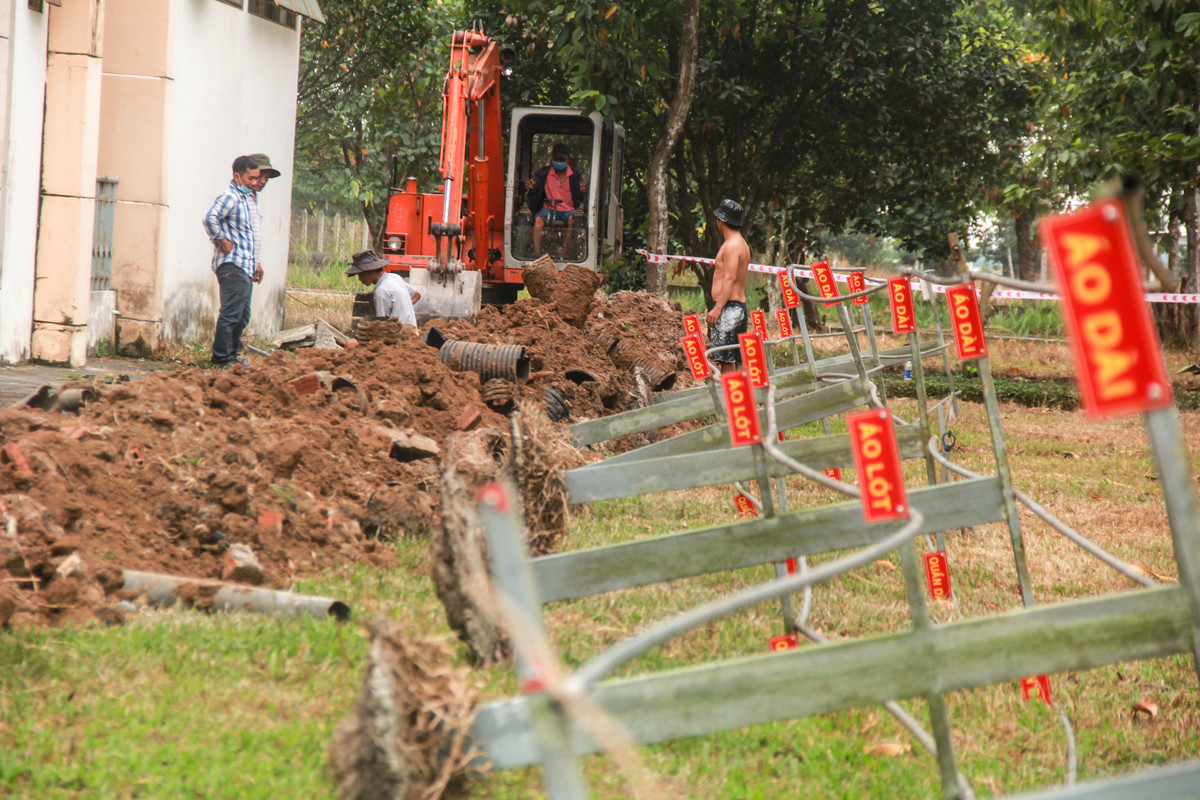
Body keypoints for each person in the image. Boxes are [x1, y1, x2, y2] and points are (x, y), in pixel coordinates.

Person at [202, 155, 261, 369]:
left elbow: (248, 235)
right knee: (231, 313)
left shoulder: (247, 200)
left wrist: (256, 263)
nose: (255, 182)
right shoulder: (231, 197)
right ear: (237, 177)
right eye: (250, 178)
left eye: (256, 178)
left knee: (243, 314)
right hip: (232, 264)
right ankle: (221, 357)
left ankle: (232, 353)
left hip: (245, 265)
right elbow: (210, 217)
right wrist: (220, 239)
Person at [706, 199, 750, 374]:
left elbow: (730, 278)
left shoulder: (732, 245)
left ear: (721, 221)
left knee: (726, 360)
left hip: (728, 308)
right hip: (738, 308)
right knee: (738, 360)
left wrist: (717, 308)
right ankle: (743, 392)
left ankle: (728, 392)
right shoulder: (742, 244)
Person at [524, 143, 586, 255]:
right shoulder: (543, 174)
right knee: (538, 220)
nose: (559, 162)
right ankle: (536, 254)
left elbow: (582, 189)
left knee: (572, 220)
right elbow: (534, 186)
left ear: (568, 159)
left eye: (562, 160)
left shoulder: (576, 175)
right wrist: (530, 186)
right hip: (549, 209)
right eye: (556, 159)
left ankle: (564, 255)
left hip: (569, 210)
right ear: (552, 159)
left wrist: (584, 189)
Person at [345, 249, 421, 327]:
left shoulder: (381, 291)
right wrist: (402, 309)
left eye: (360, 275)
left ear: (370, 271)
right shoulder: (395, 277)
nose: (359, 279)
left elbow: (382, 325)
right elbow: (416, 294)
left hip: (399, 333)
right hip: (412, 329)